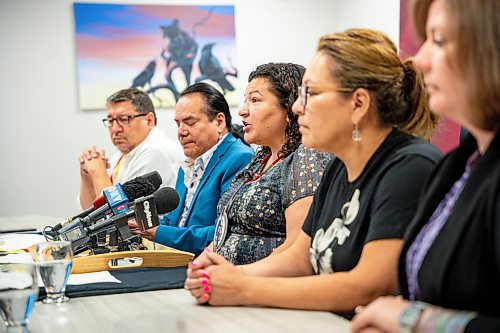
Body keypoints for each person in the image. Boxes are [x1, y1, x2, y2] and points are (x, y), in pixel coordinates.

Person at [185, 29, 442, 314]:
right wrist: (234, 275)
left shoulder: (409, 166)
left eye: (312, 93)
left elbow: (370, 286)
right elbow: (299, 257)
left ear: (358, 104)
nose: (297, 106)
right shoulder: (337, 167)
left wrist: (244, 288)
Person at [351, 0, 500, 332]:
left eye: (439, 40)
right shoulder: (458, 164)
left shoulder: (416, 162)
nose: (420, 60)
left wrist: (409, 319)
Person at [212, 63, 332, 265]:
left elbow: (297, 248)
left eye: (255, 100)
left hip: (263, 287)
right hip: (226, 282)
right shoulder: (261, 158)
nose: (242, 111)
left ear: (290, 107)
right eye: (245, 101)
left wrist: (236, 277)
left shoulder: (307, 157)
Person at [133, 83, 254, 255]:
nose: (181, 132)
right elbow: (174, 219)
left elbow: (225, 232)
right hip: (176, 261)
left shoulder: (239, 158)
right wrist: (147, 227)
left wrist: (158, 232)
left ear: (219, 122)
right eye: (178, 124)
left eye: (190, 123)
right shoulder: (189, 162)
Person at [79, 88, 182, 209]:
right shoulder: (122, 154)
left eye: (124, 119)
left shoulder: (156, 150)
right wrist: (86, 174)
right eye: (111, 120)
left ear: (149, 121)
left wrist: (97, 172)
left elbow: (119, 213)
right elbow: (88, 211)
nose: (115, 129)